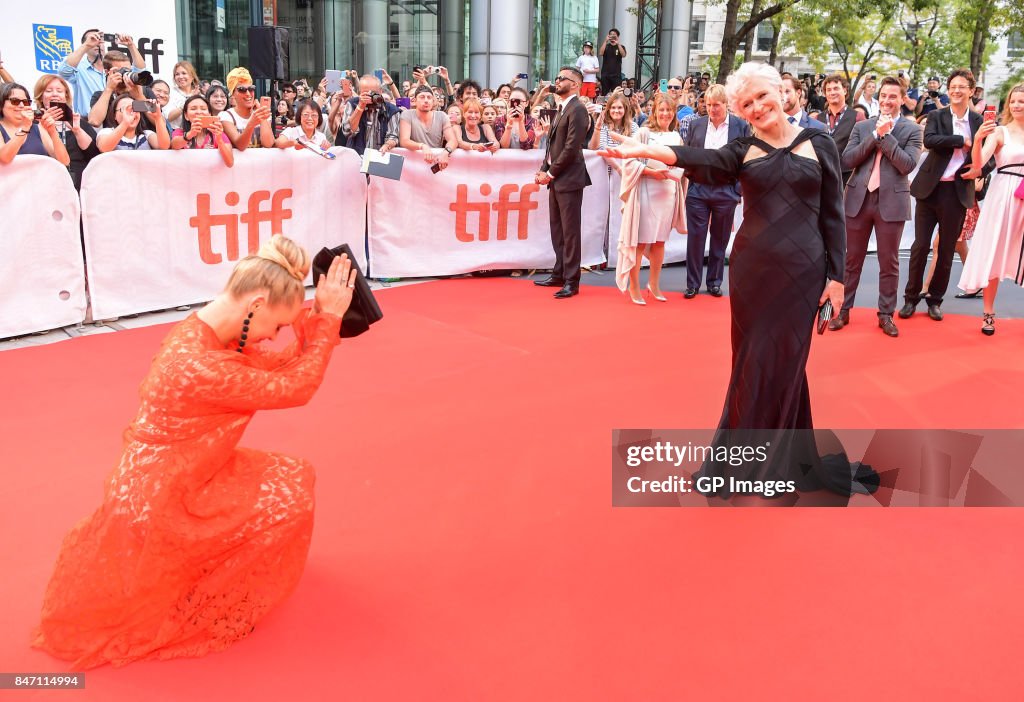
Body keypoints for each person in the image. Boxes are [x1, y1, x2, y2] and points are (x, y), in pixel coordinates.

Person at [33, 236, 358, 669]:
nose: (273, 336)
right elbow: (293, 387)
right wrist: (327, 321)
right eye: (277, 326)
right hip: (163, 495)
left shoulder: (206, 333)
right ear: (257, 303)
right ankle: (209, 599)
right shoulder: (198, 365)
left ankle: (207, 574)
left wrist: (322, 321)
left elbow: (274, 369)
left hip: (186, 472)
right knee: (290, 496)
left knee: (291, 476)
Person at [599, 62, 876, 501]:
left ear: (780, 94)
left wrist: (837, 279)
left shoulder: (819, 142)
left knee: (787, 364)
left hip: (804, 275)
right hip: (753, 272)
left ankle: (778, 464)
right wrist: (645, 150)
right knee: (752, 362)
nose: (757, 107)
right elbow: (697, 159)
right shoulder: (742, 149)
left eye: (762, 97)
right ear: (741, 112)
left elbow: (833, 215)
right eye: (747, 104)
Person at [833, 76, 922, 337]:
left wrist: (886, 137)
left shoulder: (912, 130)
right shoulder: (863, 127)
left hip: (891, 202)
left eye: (892, 96)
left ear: (902, 100)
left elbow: (907, 165)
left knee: (889, 263)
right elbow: (848, 158)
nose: (886, 100)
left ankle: (885, 314)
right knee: (851, 260)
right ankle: (842, 310)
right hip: (858, 199)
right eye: (883, 95)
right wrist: (875, 135)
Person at [901, 69, 991, 322]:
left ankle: (935, 300)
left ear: (971, 91)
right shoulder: (938, 115)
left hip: (957, 191)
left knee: (948, 250)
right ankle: (910, 298)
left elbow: (990, 157)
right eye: (953, 86)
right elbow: (929, 140)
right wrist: (961, 140)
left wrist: (979, 171)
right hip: (930, 189)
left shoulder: (979, 121)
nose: (956, 90)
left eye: (962, 86)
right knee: (920, 246)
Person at [957, 83, 1024, 336]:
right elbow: (977, 166)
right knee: (994, 252)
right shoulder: (1000, 132)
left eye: (1022, 101)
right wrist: (977, 139)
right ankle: (988, 313)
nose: (1017, 105)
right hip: (1003, 195)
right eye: (1014, 101)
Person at [680, 84, 751, 299]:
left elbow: (746, 160)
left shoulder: (740, 126)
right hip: (698, 190)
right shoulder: (697, 125)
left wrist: (736, 190)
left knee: (719, 240)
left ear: (726, 104)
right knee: (695, 239)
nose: (712, 109)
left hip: (725, 190)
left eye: (716, 105)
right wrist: (691, 181)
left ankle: (714, 282)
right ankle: (692, 283)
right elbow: (689, 154)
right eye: (708, 105)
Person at [615, 93, 684, 305]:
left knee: (660, 242)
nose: (665, 114)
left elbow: (682, 163)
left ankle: (654, 284)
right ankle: (634, 286)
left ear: (673, 114)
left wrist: (676, 170)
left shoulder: (677, 137)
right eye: (661, 110)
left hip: (668, 192)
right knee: (641, 241)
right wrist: (651, 172)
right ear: (654, 112)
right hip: (647, 191)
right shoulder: (644, 133)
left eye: (669, 110)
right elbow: (628, 160)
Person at [534, 67, 592, 299]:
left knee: (570, 232)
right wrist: (543, 168)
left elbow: (571, 148)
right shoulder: (562, 107)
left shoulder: (578, 110)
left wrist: (551, 173)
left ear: (575, 84)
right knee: (557, 230)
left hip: (569, 179)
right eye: (557, 78)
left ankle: (571, 280)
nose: (556, 81)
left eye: (562, 79)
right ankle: (559, 272)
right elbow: (553, 146)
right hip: (557, 179)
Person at [57, 30, 145, 118]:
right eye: (92, 39)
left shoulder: (141, 91)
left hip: (124, 119)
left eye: (100, 40)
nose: (97, 43)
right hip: (90, 122)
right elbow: (64, 71)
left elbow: (141, 72)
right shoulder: (79, 68)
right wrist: (87, 45)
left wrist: (131, 46)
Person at [33, 74, 98, 189]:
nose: (55, 94)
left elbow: (95, 156)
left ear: (66, 96)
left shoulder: (79, 122)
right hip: (45, 184)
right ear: (40, 96)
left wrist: (77, 130)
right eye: (48, 91)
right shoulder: (33, 124)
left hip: (81, 184)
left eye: (59, 91)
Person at [0, 82, 71, 166]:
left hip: (41, 178)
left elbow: (64, 161)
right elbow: (5, 158)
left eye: (25, 102)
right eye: (15, 101)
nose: (21, 105)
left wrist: (52, 131)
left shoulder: (38, 128)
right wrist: (25, 127)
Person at [398, 85, 459, 171]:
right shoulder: (407, 114)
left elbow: (453, 140)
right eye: (422, 97)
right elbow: (404, 141)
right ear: (414, 101)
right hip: (413, 166)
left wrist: (446, 152)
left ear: (433, 101)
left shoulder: (441, 116)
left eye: (429, 97)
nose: (426, 100)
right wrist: (422, 146)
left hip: (436, 164)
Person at [337, 74, 400, 156]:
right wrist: (360, 107)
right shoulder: (352, 104)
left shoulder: (391, 110)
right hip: (357, 156)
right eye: (366, 93)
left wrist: (387, 145)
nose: (370, 96)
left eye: (373, 93)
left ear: (380, 91)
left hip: (380, 157)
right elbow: (347, 131)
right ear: (359, 92)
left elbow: (393, 136)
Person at [171, 95, 234, 167]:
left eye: (203, 109)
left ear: (209, 114)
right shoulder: (179, 132)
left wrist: (219, 139)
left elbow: (230, 163)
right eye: (193, 109)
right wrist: (190, 134)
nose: (198, 112)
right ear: (186, 116)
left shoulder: (218, 134)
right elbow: (174, 146)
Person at [220, 67, 274, 150]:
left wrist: (263, 118)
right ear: (233, 94)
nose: (248, 93)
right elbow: (240, 145)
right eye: (242, 90)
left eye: (251, 89)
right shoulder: (226, 116)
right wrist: (251, 123)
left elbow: (268, 144)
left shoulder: (260, 113)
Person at [96, 93, 170, 152]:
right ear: (114, 115)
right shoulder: (107, 132)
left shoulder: (146, 134)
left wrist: (158, 118)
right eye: (124, 109)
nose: (131, 113)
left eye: (134, 108)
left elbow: (164, 146)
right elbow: (104, 148)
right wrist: (125, 123)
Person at [164, 61, 201, 129]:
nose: (180, 77)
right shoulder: (170, 93)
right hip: (175, 133)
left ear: (192, 76)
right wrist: (189, 100)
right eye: (177, 74)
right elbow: (168, 118)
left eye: (184, 73)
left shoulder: (199, 95)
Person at [599, 29, 627, 96]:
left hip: (616, 75)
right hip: (605, 74)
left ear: (617, 36)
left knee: (616, 94)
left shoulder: (621, 46)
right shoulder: (606, 46)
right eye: (611, 34)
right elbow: (600, 53)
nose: (612, 36)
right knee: (604, 93)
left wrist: (618, 43)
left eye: (614, 34)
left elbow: (623, 55)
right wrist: (605, 41)